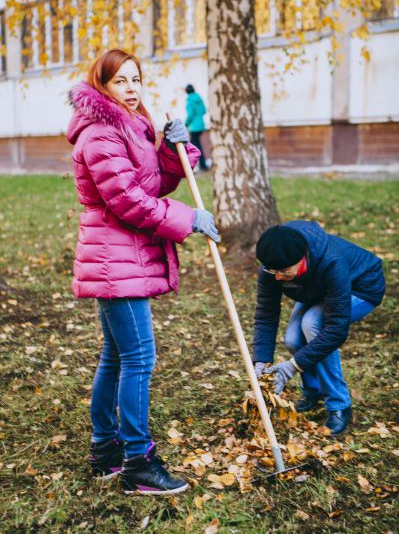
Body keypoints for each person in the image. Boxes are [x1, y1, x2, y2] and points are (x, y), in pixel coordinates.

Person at [66, 49, 220, 495]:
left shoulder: (131, 126)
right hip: (116, 259)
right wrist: (187, 217)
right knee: (137, 358)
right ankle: (137, 461)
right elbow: (128, 201)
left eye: (136, 80)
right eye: (121, 82)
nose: (132, 89)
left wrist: (176, 148)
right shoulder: (100, 134)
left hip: (124, 256)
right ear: (103, 86)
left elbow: (153, 184)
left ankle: (105, 450)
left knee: (117, 356)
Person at [253, 221, 385, 436]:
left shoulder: (332, 262)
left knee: (312, 324)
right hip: (317, 291)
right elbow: (266, 315)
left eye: (284, 271)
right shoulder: (274, 264)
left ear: (301, 259)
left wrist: (293, 366)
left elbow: (336, 330)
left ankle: (339, 405)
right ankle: (313, 392)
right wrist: (261, 360)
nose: (277, 277)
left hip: (361, 287)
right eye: (272, 270)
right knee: (293, 339)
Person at [185, 84, 209, 171]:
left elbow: (190, 115)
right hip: (201, 126)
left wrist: (186, 124)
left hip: (194, 127)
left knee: (192, 148)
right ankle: (202, 165)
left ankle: (195, 166)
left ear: (187, 91)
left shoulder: (190, 101)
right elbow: (204, 111)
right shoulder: (199, 99)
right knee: (196, 145)